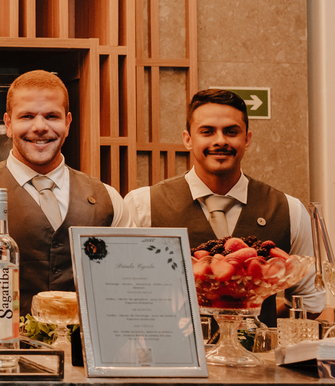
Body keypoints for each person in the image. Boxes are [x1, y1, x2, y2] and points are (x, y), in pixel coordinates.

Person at [0, 70, 130, 315]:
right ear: (8, 124)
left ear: (68, 123)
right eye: (27, 116)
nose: (40, 127)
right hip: (1, 340)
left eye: (51, 116)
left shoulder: (108, 198)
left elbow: (128, 288)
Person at [124, 88, 322, 322]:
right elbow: (126, 292)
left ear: (247, 139)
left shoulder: (289, 210)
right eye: (207, 131)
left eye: (231, 131)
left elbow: (310, 302)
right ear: (188, 139)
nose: (220, 141)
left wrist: (265, 332)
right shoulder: (142, 205)